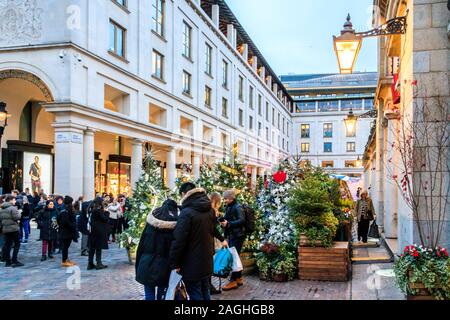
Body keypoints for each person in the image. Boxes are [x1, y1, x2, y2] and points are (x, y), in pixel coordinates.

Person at [169, 182, 216, 301]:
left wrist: (175, 263)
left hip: (191, 263)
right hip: (206, 260)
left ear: (184, 194)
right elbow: (212, 232)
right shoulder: (209, 209)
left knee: (195, 293)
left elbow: (179, 240)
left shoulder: (186, 213)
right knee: (205, 290)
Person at [136, 199, 179, 300]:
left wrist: (138, 265)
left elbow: (141, 246)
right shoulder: (175, 225)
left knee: (149, 294)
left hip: (147, 263)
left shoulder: (151, 222)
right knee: (162, 294)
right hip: (165, 266)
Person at [220, 190, 246, 291]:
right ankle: (239, 278)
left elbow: (242, 220)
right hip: (233, 235)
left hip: (237, 236)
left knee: (234, 257)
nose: (224, 200)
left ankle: (233, 281)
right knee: (235, 256)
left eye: (226, 198)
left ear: (231, 198)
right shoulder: (230, 206)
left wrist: (229, 224)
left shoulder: (237, 207)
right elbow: (229, 218)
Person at [209, 192, 228, 295]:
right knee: (211, 261)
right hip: (212, 240)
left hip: (212, 239)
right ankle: (208, 286)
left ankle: (209, 285)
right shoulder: (211, 211)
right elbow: (213, 228)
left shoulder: (212, 210)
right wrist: (222, 239)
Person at [0, 195, 24, 267]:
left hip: (6, 229)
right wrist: (19, 212)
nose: (15, 201)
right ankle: (14, 260)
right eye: (14, 200)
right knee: (17, 244)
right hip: (14, 229)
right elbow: (17, 217)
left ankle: (8, 261)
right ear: (10, 200)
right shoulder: (12, 208)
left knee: (7, 245)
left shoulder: (2, 208)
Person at [87, 197, 110, 270]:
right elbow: (105, 219)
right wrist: (106, 212)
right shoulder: (98, 210)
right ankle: (99, 263)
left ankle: (90, 263)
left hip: (92, 230)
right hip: (98, 231)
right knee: (98, 247)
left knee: (92, 248)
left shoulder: (91, 209)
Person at [58, 196, 79, 267]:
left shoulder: (68, 209)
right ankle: (64, 261)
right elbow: (65, 222)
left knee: (67, 246)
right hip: (65, 231)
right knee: (65, 246)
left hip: (68, 231)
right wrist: (72, 225)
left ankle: (66, 259)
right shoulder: (64, 210)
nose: (72, 204)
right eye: (71, 202)